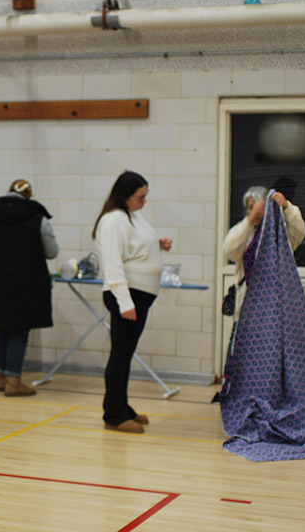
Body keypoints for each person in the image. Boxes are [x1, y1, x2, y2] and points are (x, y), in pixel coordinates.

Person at [91, 171, 172, 434]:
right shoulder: (114, 220)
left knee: (124, 355)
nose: (144, 200)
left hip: (138, 294)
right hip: (127, 295)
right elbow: (113, 264)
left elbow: (133, 248)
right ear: (125, 196)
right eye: (140, 196)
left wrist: (157, 244)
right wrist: (125, 302)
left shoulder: (131, 216)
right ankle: (113, 414)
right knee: (120, 355)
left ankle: (122, 407)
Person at [0, 179, 59, 397]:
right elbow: (52, 252)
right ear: (29, 195)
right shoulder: (38, 217)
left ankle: (0, 378)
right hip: (26, 282)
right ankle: (14, 382)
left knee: (2, 328)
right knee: (19, 331)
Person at [223, 186, 305, 325]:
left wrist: (286, 207)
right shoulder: (245, 231)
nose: (255, 211)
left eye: (259, 207)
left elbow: (299, 231)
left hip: (273, 307)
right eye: (250, 207)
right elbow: (230, 249)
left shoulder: (278, 233)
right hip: (247, 304)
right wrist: (249, 220)